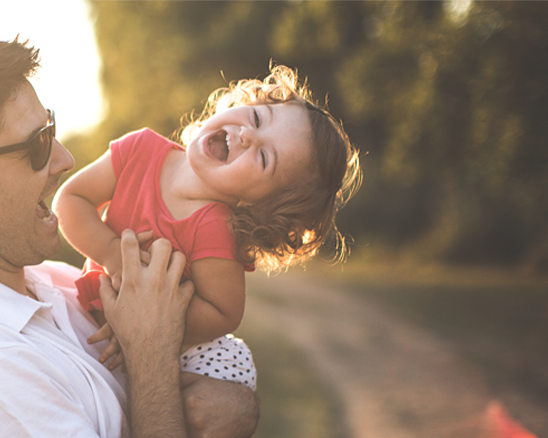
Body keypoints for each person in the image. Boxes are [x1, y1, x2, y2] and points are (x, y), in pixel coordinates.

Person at [0, 28, 258, 437]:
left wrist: (238, 405)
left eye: (49, 128)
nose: (65, 159)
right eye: (36, 146)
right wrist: (151, 358)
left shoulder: (54, 283)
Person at [54, 65, 362, 387]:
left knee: (217, 388)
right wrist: (113, 254)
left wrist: (144, 322)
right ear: (245, 101)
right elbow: (72, 199)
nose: (247, 135)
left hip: (150, 358)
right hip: (87, 325)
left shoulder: (214, 228)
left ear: (259, 205)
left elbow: (222, 313)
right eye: (257, 118)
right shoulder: (139, 150)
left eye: (263, 158)